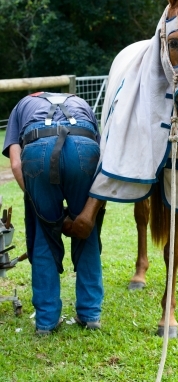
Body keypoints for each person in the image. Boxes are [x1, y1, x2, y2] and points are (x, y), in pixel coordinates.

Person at [2, 91, 104, 334]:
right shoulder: (81, 102)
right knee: (86, 230)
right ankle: (90, 315)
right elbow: (102, 157)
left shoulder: (21, 106)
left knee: (43, 234)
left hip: (39, 148)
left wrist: (40, 207)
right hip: (84, 146)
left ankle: (46, 322)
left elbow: (16, 164)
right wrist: (86, 215)